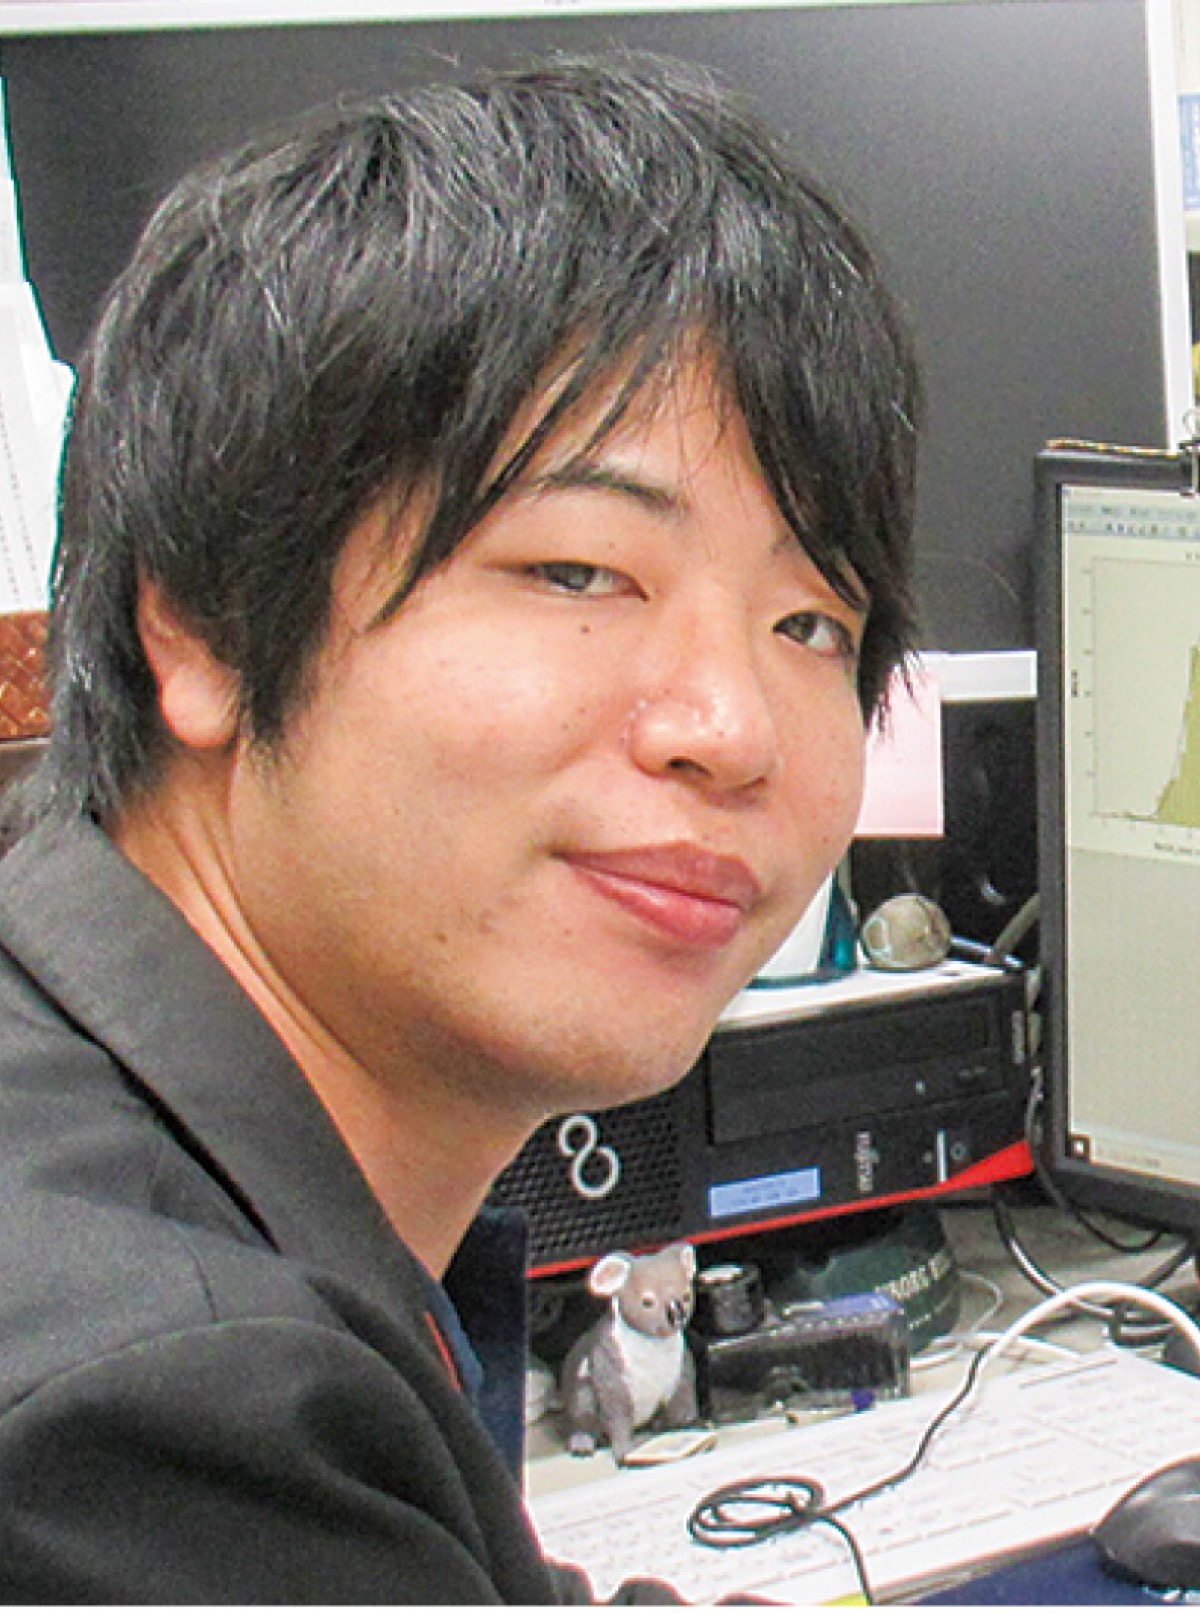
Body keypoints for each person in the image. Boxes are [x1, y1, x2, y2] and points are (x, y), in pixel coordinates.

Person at [0, 53, 920, 1602]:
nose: (734, 727)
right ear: (204, 625)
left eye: (810, 623)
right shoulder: (148, 1415)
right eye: (577, 572)